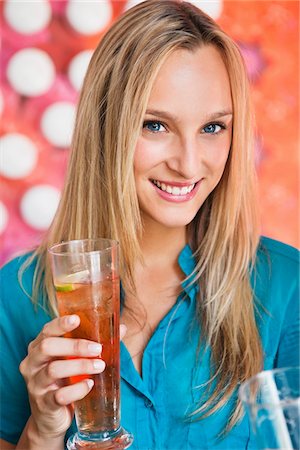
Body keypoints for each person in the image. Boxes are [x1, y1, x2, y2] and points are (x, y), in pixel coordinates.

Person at [0, 1, 299, 449]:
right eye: (156, 125)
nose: (189, 163)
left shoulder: (286, 285)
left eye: (213, 127)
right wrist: (41, 432)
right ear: (106, 128)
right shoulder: (17, 295)